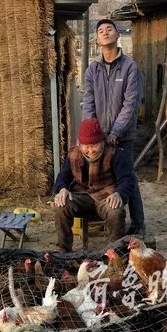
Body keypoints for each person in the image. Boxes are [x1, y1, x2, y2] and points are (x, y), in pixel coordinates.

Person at [83, 18, 146, 237]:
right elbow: (88, 103)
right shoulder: (92, 70)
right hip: (99, 137)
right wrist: (93, 134)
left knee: (127, 176)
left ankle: (138, 223)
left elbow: (131, 103)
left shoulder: (129, 67)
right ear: (97, 39)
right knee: (99, 176)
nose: (105, 32)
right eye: (100, 30)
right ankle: (106, 219)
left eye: (109, 29)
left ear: (117, 35)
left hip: (123, 135)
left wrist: (116, 132)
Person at [53, 118, 136, 252]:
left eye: (95, 145)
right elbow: (63, 176)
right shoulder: (73, 154)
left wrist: (119, 193)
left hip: (106, 197)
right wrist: (62, 189)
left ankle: (116, 251)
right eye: (86, 146)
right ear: (79, 143)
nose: (90, 150)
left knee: (115, 211)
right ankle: (63, 249)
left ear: (102, 141)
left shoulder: (115, 154)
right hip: (81, 196)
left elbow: (127, 179)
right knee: (61, 205)